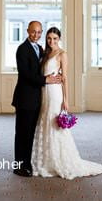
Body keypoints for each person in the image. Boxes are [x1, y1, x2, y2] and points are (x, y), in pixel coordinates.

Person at [31, 27, 102, 180]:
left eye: (54, 38)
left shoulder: (62, 54)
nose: (51, 41)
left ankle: (58, 160)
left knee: (54, 123)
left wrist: (66, 100)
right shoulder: (45, 53)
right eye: (49, 38)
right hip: (44, 93)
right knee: (44, 122)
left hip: (55, 93)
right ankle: (44, 160)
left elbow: (65, 78)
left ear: (59, 39)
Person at [12, 21, 62, 177]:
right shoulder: (22, 49)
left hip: (38, 98)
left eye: (39, 32)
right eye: (34, 32)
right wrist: (45, 80)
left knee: (32, 133)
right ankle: (19, 166)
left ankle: (29, 162)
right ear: (27, 31)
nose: (36, 35)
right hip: (25, 98)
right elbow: (25, 74)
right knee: (22, 133)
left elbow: (46, 67)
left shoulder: (40, 49)